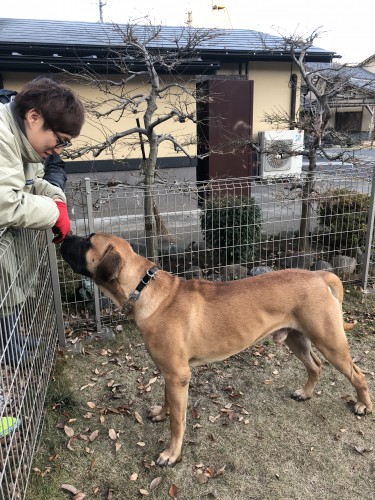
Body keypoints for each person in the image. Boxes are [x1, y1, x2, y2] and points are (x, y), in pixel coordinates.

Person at [0, 76, 85, 366]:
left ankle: (12, 342)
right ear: (34, 117)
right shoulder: (1, 137)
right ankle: (8, 351)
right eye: (60, 140)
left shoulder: (22, 141)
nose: (59, 151)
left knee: (6, 291)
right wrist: (52, 211)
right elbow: (5, 202)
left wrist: (57, 199)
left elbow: (31, 183)